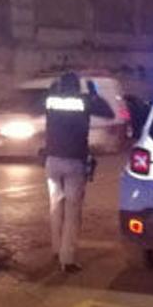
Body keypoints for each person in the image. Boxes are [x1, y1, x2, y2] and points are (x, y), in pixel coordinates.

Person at [42, 73, 109, 273]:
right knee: (72, 212)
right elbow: (107, 112)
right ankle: (67, 259)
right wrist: (94, 94)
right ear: (77, 87)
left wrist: (51, 90)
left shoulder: (51, 100)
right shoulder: (84, 101)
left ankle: (56, 249)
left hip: (52, 160)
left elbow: (38, 104)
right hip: (74, 162)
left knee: (55, 206)